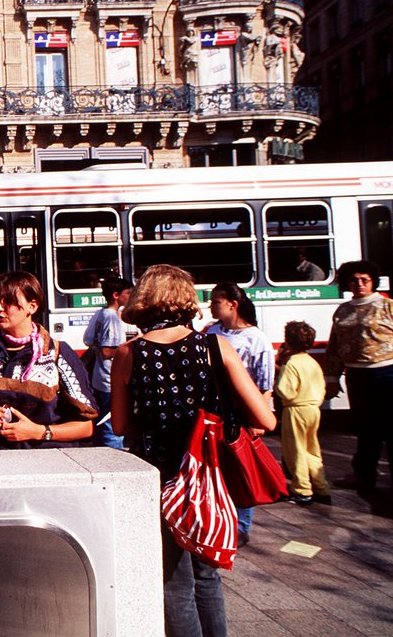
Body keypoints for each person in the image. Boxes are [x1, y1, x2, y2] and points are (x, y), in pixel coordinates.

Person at [111, 264, 275, 637]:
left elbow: (119, 426)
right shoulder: (215, 345)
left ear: (143, 301)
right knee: (208, 577)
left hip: (162, 477)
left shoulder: (128, 354)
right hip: (210, 474)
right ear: (186, 299)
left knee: (175, 582)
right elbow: (266, 421)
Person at [0, 271, 97, 448]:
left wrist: (40, 432)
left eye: (8, 302)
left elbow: (87, 426)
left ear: (32, 306)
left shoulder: (58, 354)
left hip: (47, 464)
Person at [205, 281, 274, 545]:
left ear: (232, 305)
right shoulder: (212, 332)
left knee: (242, 467)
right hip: (215, 411)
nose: (211, 306)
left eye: (215, 301)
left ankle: (242, 525)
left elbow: (265, 385)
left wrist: (258, 420)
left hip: (243, 413)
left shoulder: (257, 339)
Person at [323, 260, 393, 495]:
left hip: (388, 373)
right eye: (354, 280)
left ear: (373, 281)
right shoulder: (343, 310)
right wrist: (332, 377)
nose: (359, 284)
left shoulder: (389, 306)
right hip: (357, 375)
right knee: (366, 429)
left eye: (365, 280)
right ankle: (364, 476)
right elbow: (334, 346)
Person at [275, 320, 331, 505]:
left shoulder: (291, 363)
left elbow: (285, 390)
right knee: (311, 449)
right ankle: (321, 487)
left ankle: (302, 489)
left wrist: (279, 373)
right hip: (313, 409)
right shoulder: (312, 362)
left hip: (295, 409)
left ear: (288, 341)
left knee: (295, 450)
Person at [82, 276, 133, 449]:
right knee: (113, 425)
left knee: (101, 421)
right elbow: (107, 351)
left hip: (99, 377)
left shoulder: (100, 313)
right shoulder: (112, 318)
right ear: (116, 295)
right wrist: (133, 344)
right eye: (128, 293)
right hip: (110, 378)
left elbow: (88, 340)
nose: (131, 296)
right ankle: (114, 459)